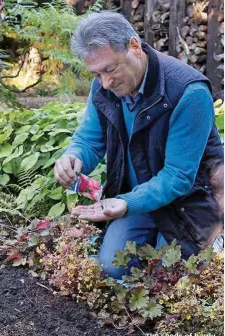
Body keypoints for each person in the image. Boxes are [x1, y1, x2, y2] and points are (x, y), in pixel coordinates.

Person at [54, 11, 224, 279]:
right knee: (111, 268)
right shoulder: (103, 86)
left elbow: (178, 176)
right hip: (138, 199)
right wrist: (74, 157)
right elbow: (89, 138)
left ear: (134, 47)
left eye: (110, 69)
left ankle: (217, 241)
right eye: (96, 74)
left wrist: (125, 203)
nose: (105, 83)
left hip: (189, 204)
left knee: (169, 276)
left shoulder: (188, 92)